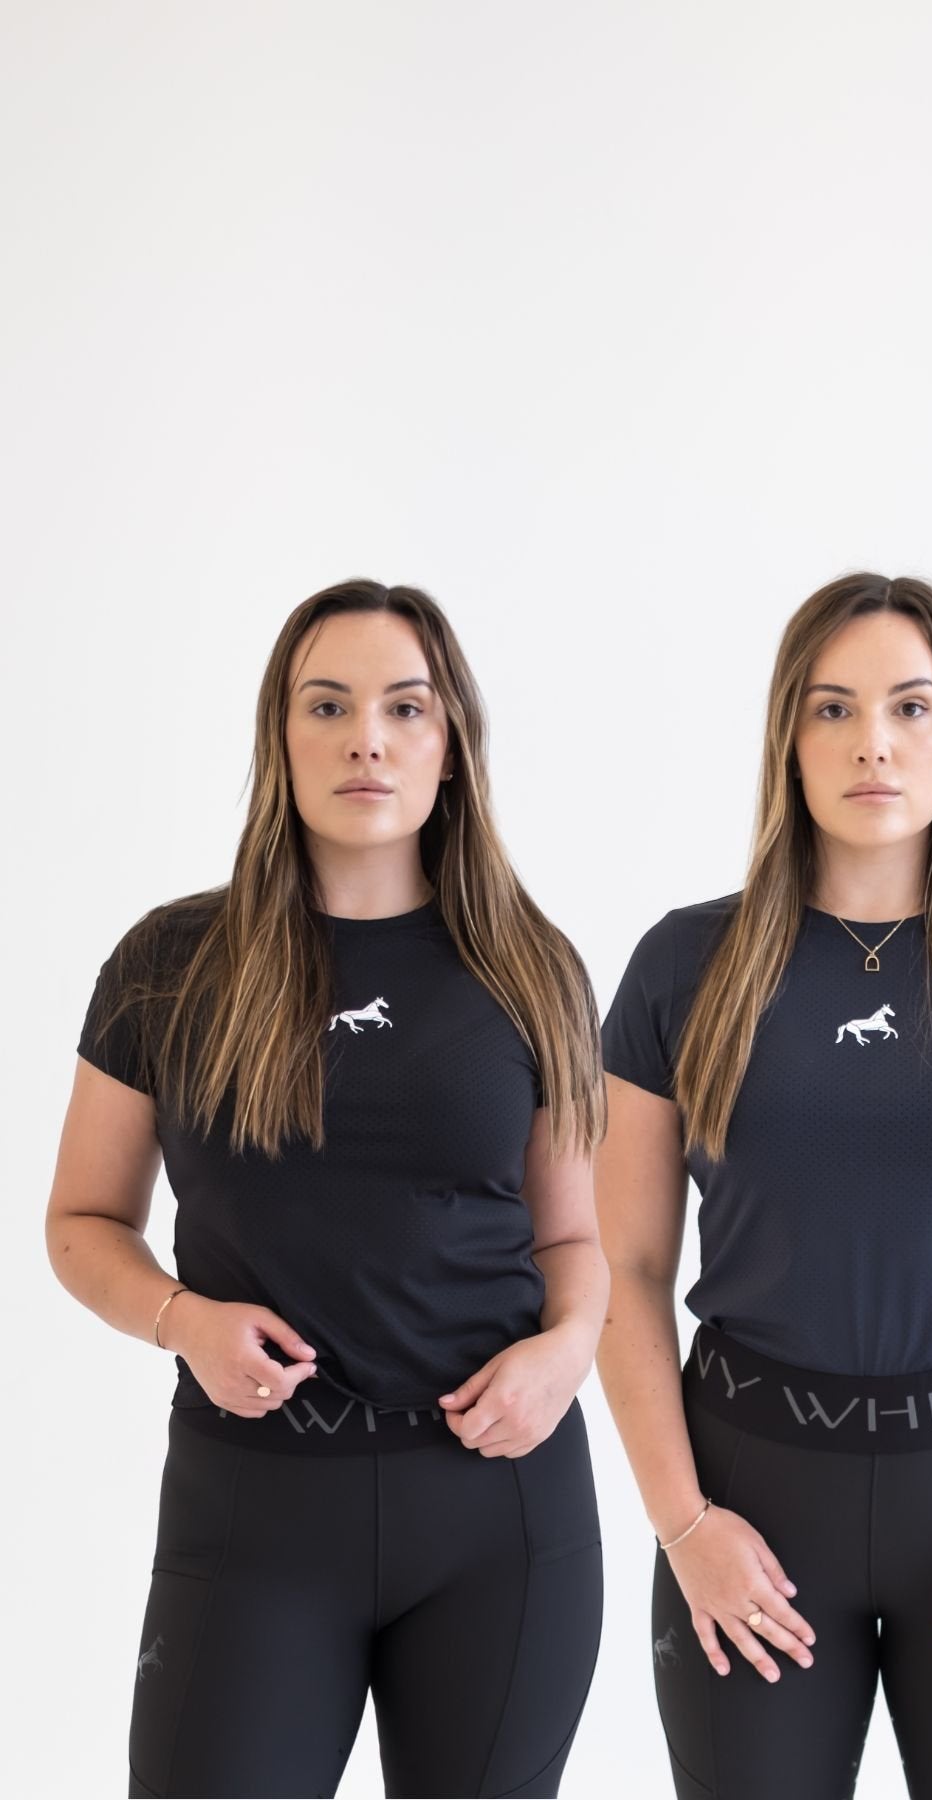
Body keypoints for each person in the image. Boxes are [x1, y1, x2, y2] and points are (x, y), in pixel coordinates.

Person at [594, 572, 932, 1800]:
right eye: (833, 709)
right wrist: (684, 1524)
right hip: (749, 1506)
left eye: (910, 707)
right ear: (789, 739)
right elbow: (620, 1266)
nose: (874, 744)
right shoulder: (684, 967)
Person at [47, 579, 608, 1800]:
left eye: (406, 707)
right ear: (280, 737)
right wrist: (181, 1321)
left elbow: (574, 1240)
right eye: (328, 705)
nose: (367, 739)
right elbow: (81, 1222)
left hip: (498, 1512)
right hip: (253, 1509)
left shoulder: (531, 967)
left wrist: (566, 1353)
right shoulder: (168, 964)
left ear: (451, 745)